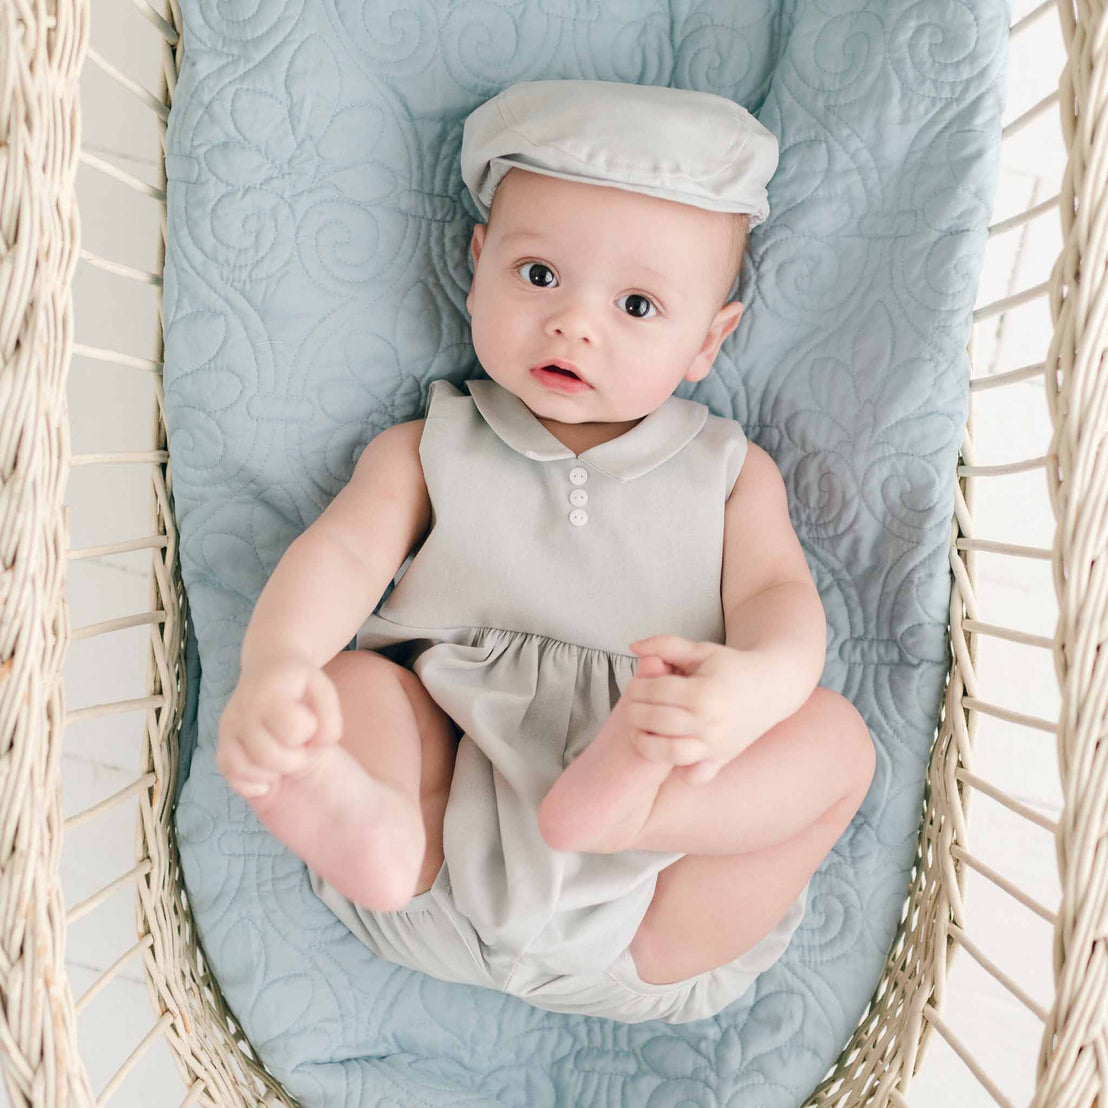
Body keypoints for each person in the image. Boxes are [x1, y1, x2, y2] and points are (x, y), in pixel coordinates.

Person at [214, 79, 876, 1023]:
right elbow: (341, 556)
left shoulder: (730, 472)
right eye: (538, 276)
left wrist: (754, 688)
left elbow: (780, 598)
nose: (575, 323)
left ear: (710, 340)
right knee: (357, 688)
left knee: (837, 745)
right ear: (476, 262)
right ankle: (364, 819)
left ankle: (634, 812)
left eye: (639, 305)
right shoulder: (430, 446)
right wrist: (278, 669)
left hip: (655, 907)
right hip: (434, 858)